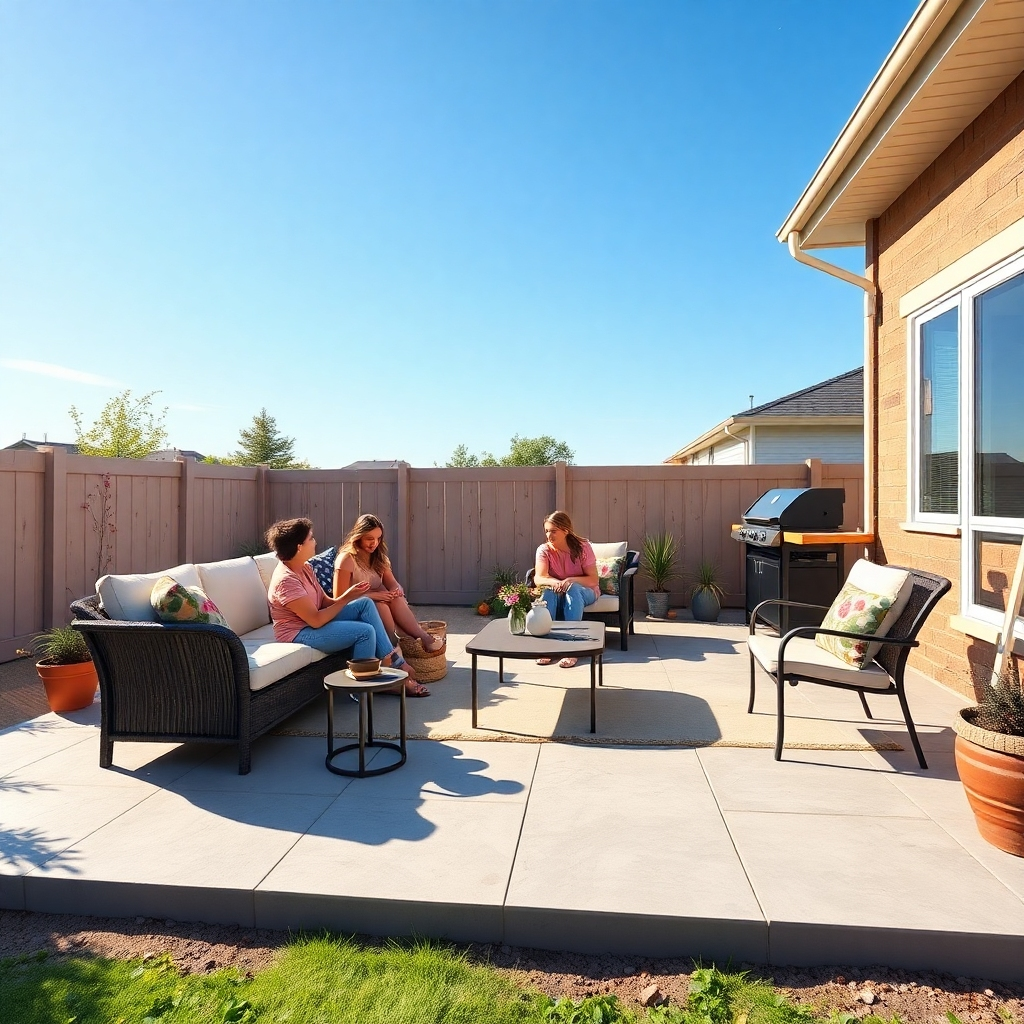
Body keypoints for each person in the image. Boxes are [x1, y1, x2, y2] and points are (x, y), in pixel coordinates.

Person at [266, 517, 430, 697]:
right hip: (299, 632)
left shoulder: (304, 568)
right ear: (299, 547)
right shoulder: (286, 581)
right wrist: (346, 599)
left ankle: (390, 661)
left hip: (314, 620)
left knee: (365, 604)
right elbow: (316, 620)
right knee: (364, 631)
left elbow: (324, 602)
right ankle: (364, 686)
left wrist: (349, 595)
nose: (315, 542)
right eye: (311, 539)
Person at [333, 513, 443, 653]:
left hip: (376, 602)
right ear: (358, 536)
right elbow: (339, 598)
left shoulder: (378, 557)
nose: (375, 543)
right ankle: (392, 645)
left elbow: (392, 583)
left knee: (395, 598)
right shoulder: (346, 559)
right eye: (369, 539)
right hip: (352, 607)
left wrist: (396, 589)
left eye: (378, 538)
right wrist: (373, 596)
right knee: (381, 606)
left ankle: (420, 637)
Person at [533, 510, 599, 668]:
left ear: (565, 530)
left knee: (573, 588)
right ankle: (548, 647)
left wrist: (570, 580)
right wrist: (555, 582)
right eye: (547, 531)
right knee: (548, 590)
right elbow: (538, 578)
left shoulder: (583, 547)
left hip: (585, 591)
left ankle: (571, 648)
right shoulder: (544, 550)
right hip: (557, 591)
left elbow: (593, 580)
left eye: (553, 531)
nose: (549, 535)